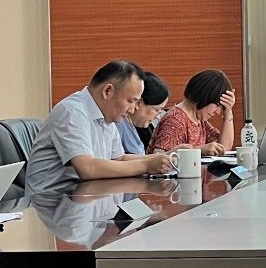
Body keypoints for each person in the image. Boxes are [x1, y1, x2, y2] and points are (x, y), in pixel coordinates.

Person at [27, 60, 173, 197]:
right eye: (130, 101)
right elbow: (88, 168)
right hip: (53, 201)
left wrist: (165, 159)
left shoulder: (107, 116)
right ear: (108, 91)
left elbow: (120, 159)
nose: (133, 109)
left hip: (88, 197)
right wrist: (146, 165)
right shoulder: (72, 112)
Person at [148, 69, 237, 156]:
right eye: (217, 105)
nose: (218, 112)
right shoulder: (175, 120)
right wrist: (199, 150)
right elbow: (159, 157)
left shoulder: (198, 119)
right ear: (204, 96)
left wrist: (228, 113)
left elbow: (223, 148)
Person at [117, 72, 170, 155]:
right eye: (157, 110)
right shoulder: (117, 123)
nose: (158, 117)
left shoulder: (133, 126)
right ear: (139, 103)